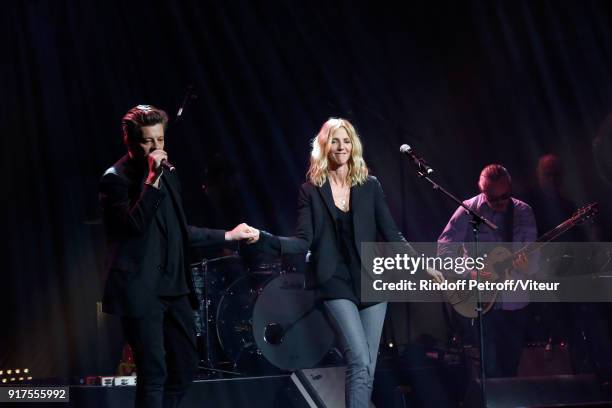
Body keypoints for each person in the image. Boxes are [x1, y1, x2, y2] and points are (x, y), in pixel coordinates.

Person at [248, 118, 416, 407]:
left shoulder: (370, 185)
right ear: (325, 147)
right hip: (333, 281)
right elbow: (302, 241)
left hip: (370, 279)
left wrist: (424, 265)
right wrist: (262, 237)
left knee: (367, 369)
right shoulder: (311, 190)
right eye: (335, 141)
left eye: (347, 141)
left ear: (354, 146)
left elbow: (391, 233)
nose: (342, 147)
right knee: (359, 359)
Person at [99, 105, 256, 408]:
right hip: (141, 290)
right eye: (148, 141)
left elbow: (179, 230)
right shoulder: (115, 179)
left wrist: (228, 235)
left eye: (160, 140)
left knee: (184, 367)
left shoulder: (170, 175)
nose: (157, 149)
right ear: (129, 140)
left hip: (175, 287)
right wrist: (150, 181)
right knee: (154, 372)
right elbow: (134, 226)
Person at [438, 164, 537, 378]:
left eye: (505, 196)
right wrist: (468, 272)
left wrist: (527, 265)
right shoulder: (468, 208)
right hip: (480, 300)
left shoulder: (523, 211)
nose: (501, 203)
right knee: (489, 367)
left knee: (511, 365)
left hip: (515, 299)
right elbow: (444, 248)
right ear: (483, 191)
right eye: (494, 198)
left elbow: (533, 258)